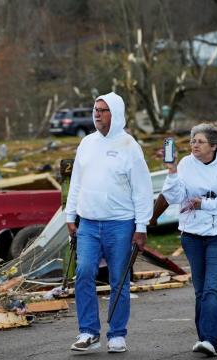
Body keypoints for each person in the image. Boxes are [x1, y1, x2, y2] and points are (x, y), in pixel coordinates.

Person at [65, 92, 153, 353]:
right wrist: (70, 215)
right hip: (89, 224)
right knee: (83, 273)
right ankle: (88, 332)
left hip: (121, 224)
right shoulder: (86, 144)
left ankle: (117, 334)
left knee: (119, 279)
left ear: (115, 114)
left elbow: (143, 190)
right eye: (95, 109)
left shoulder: (129, 146)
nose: (97, 114)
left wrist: (141, 227)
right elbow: (76, 182)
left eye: (103, 110)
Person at [160, 123, 217, 357]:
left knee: (213, 288)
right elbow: (174, 196)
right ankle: (203, 338)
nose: (194, 145)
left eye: (199, 141)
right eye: (192, 141)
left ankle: (210, 340)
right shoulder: (186, 164)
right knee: (200, 290)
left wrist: (206, 204)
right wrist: (172, 170)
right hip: (193, 236)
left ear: (214, 145)